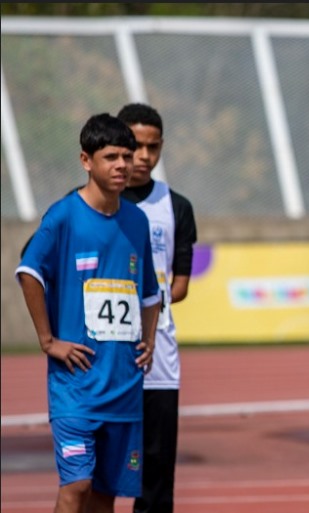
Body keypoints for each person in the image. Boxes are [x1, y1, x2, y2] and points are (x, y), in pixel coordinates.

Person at [15, 113, 161, 513]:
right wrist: (48, 341)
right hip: (76, 387)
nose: (122, 165)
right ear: (86, 161)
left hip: (124, 384)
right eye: (111, 157)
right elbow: (29, 272)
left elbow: (150, 293)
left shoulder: (137, 220)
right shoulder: (64, 215)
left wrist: (148, 338)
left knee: (104, 495)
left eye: (127, 157)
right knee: (76, 486)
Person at [116, 103, 198, 513]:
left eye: (153, 147)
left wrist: (149, 299)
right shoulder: (91, 202)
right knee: (98, 472)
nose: (144, 157)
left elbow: (180, 283)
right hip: (105, 352)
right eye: (135, 146)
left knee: (156, 471)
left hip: (159, 356)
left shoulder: (176, 207)